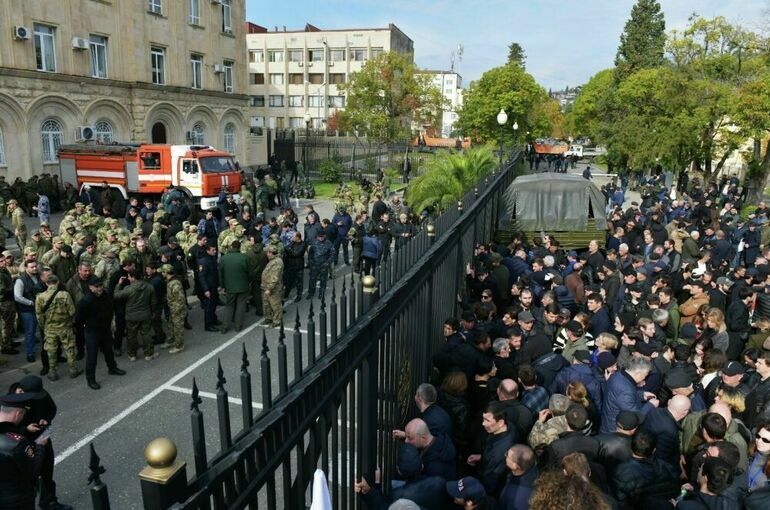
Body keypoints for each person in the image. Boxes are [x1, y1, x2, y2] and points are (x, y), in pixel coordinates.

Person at [74, 276, 126, 389]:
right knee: (92, 356)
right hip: (92, 332)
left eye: (101, 285)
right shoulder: (85, 301)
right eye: (97, 286)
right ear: (90, 287)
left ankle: (112, 368)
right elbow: (78, 318)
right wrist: (85, 325)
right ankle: (91, 379)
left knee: (109, 351)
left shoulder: (105, 295)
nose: (99, 288)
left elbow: (110, 308)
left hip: (105, 329)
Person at [0, 392, 49, 510]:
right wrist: (40, 446)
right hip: (16, 500)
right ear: (18, 413)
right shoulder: (17, 444)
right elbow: (33, 471)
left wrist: (24, 430)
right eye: (22, 414)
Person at [35, 275, 82, 381]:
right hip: (65, 327)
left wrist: (44, 326)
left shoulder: (40, 296)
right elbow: (72, 311)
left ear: (46, 283)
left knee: (51, 351)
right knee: (69, 348)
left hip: (50, 328)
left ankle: (52, 372)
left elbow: (39, 315)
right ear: (58, 282)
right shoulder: (65, 295)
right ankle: (73, 370)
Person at [113, 269, 157, 361]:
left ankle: (132, 355)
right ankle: (149, 354)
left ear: (133, 277)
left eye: (129, 277)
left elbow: (116, 296)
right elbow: (153, 302)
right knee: (146, 334)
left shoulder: (128, 289)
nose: (128, 278)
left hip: (131, 316)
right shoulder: (149, 287)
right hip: (145, 315)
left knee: (131, 336)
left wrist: (119, 284)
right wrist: (153, 312)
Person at [14, 260, 45, 363]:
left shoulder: (38, 276)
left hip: (41, 309)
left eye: (35, 266)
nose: (35, 268)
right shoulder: (21, 280)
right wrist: (31, 303)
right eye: (32, 267)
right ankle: (30, 353)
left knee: (44, 331)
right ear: (26, 268)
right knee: (30, 332)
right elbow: (17, 297)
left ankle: (47, 351)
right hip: (28, 311)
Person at [218, 241, 250, 333]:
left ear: (231, 247)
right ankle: (238, 326)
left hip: (229, 287)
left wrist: (222, 286)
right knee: (241, 306)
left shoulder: (224, 258)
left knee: (229, 306)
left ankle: (224, 327)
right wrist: (248, 282)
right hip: (243, 286)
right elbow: (249, 272)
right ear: (239, 247)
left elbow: (220, 274)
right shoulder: (244, 257)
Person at [160, 264, 187, 354]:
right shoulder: (169, 281)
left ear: (166, 272)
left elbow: (180, 299)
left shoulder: (174, 283)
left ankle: (179, 346)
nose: (162, 274)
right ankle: (171, 341)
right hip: (173, 308)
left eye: (163, 272)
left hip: (177, 309)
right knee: (171, 326)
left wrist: (176, 310)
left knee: (177, 328)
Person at [198, 244, 220, 332]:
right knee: (209, 306)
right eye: (213, 250)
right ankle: (208, 324)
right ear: (207, 251)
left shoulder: (212, 259)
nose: (215, 252)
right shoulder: (203, 261)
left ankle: (213, 319)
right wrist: (206, 290)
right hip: (209, 287)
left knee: (214, 304)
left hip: (214, 286)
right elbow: (202, 277)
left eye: (215, 250)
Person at [307, 229, 333, 300]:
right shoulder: (314, 242)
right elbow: (310, 253)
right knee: (312, 280)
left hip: (323, 265)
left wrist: (327, 263)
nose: (321, 238)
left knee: (323, 280)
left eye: (322, 236)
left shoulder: (328, 243)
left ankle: (321, 293)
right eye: (319, 236)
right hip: (314, 265)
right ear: (317, 236)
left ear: (324, 236)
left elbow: (332, 254)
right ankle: (311, 293)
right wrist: (311, 261)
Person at [261, 246, 284, 327]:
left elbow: (275, 277)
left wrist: (269, 288)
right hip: (266, 286)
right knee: (266, 304)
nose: (266, 254)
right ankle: (268, 318)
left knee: (275, 305)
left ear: (271, 253)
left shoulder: (277, 262)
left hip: (273, 288)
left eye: (267, 252)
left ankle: (277, 321)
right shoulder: (272, 260)